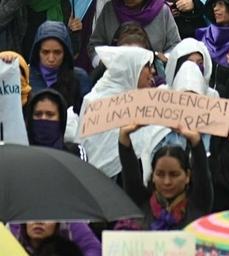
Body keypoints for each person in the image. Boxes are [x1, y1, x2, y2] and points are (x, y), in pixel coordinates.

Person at [119, 120, 211, 230]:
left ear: (187, 175)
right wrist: (124, 135)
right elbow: (129, 171)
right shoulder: (141, 203)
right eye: (160, 174)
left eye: (174, 175)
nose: (167, 181)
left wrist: (195, 140)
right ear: (152, 175)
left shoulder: (198, 203)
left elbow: (202, 172)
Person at [81, 46, 155, 177]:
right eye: (147, 66)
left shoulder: (146, 103)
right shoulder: (95, 101)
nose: (153, 71)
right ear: (131, 68)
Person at [89, 0, 179, 67]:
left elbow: (174, 44)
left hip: (154, 72)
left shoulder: (162, 11)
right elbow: (95, 44)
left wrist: (164, 58)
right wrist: (101, 61)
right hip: (114, 71)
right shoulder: (110, 10)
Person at [29, 21, 93, 112]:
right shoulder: (25, 78)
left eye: (57, 52)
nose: (51, 58)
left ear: (65, 53)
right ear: (37, 52)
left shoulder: (80, 78)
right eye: (45, 52)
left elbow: (88, 115)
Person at [25, 89, 83, 159]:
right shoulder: (22, 154)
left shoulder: (74, 153)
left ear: (61, 119)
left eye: (50, 115)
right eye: (38, 114)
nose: (43, 118)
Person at [10, 221, 101, 256]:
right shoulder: (13, 230)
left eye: (46, 217)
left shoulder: (72, 224)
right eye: (31, 216)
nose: (39, 222)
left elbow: (93, 248)